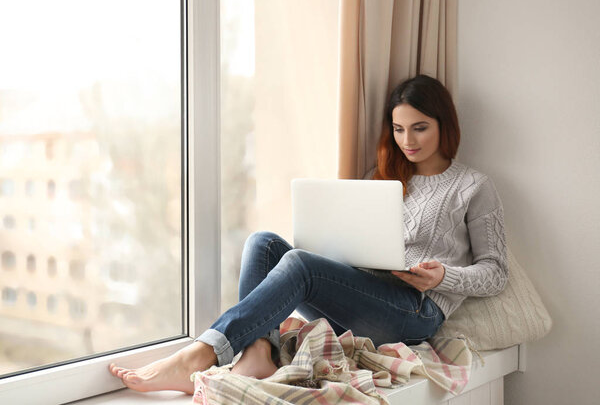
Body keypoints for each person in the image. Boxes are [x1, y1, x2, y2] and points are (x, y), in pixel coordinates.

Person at [109, 74, 508, 394]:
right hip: (364, 298)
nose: (408, 141)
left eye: (420, 128)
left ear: (445, 124)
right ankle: (258, 353)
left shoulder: (473, 185)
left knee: (299, 263)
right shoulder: (382, 180)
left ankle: (199, 355)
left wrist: (443, 276)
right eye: (399, 129)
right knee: (262, 243)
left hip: (416, 312)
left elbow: (496, 272)